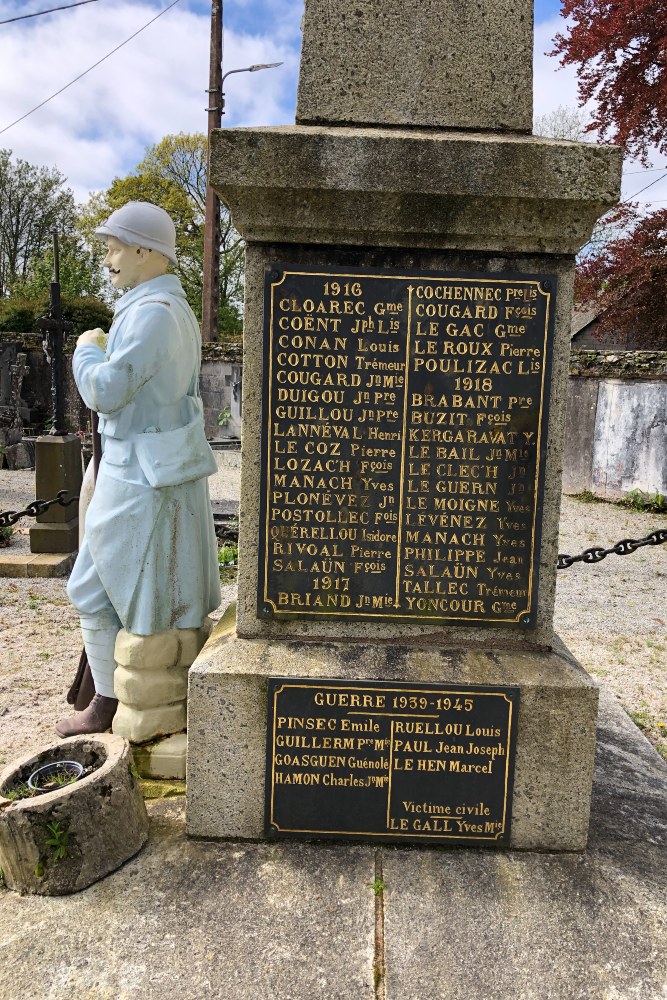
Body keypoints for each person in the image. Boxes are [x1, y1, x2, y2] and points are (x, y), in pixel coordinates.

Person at [56, 202, 221, 737]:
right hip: (137, 467)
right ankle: (111, 700)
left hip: (139, 474)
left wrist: (84, 351)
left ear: (146, 251)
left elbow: (108, 390)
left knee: (107, 589)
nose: (108, 258)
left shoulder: (154, 313)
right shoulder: (152, 306)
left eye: (114, 247)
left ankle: (115, 704)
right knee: (110, 590)